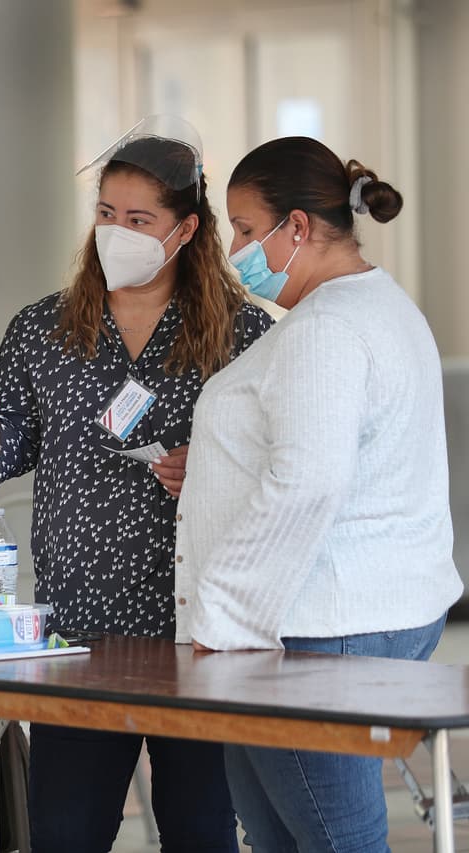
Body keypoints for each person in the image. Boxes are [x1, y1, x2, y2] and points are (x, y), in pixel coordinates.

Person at [0, 116, 271, 852]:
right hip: (79, 628)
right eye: (107, 215)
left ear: (186, 230)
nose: (117, 232)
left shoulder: (242, 336)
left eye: (140, 219)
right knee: (65, 829)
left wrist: (211, 473)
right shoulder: (45, 328)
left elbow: (279, 472)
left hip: (200, 630)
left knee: (202, 828)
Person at [177, 136, 464, 851]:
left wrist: (224, 614)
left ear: (297, 227)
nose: (236, 247)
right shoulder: (379, 304)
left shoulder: (326, 330)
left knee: (335, 839)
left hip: (311, 628)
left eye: (245, 229)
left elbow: (310, 480)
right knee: (281, 834)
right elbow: (346, 454)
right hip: (358, 614)